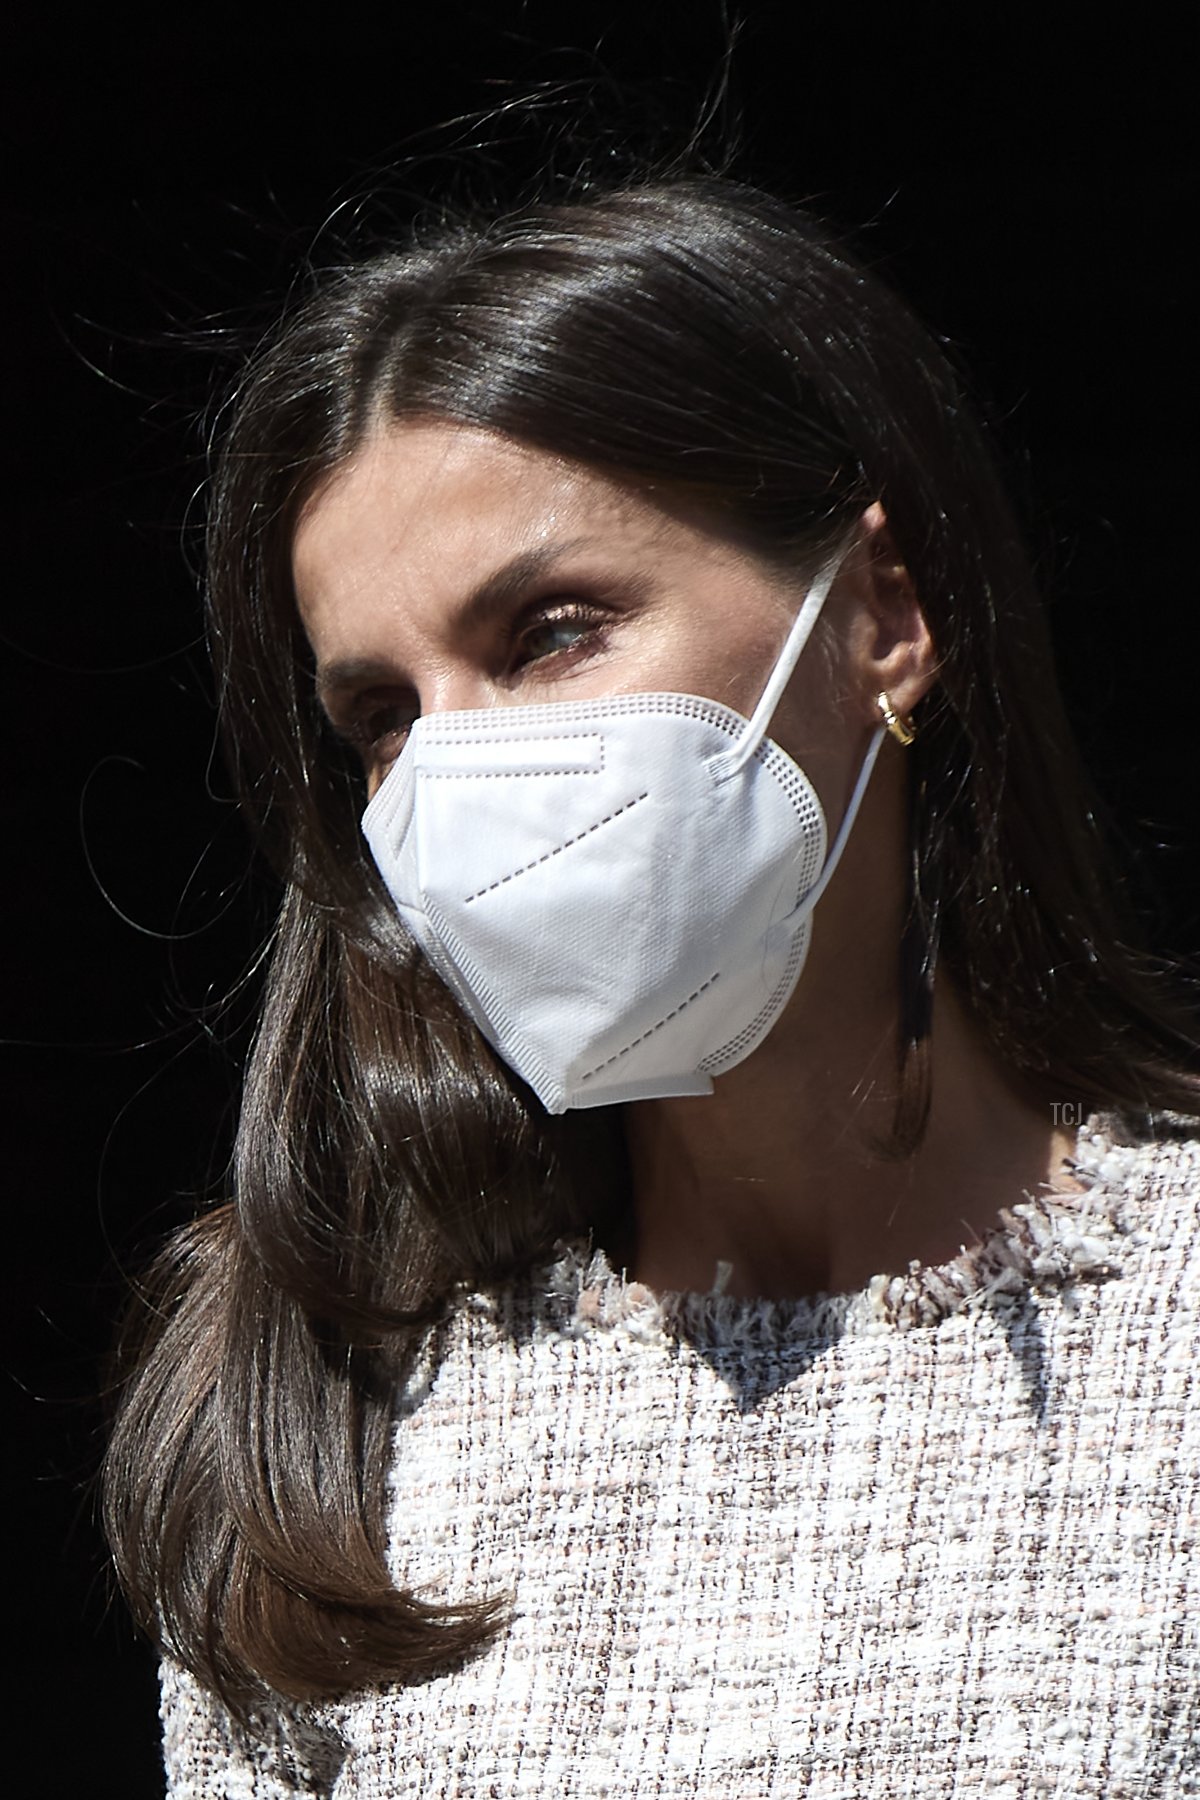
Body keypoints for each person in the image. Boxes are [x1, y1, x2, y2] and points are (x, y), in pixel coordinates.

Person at [104, 172, 1200, 1796]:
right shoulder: (312, 1404)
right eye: (383, 715)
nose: (456, 775)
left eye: (551, 633)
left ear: (884, 616)